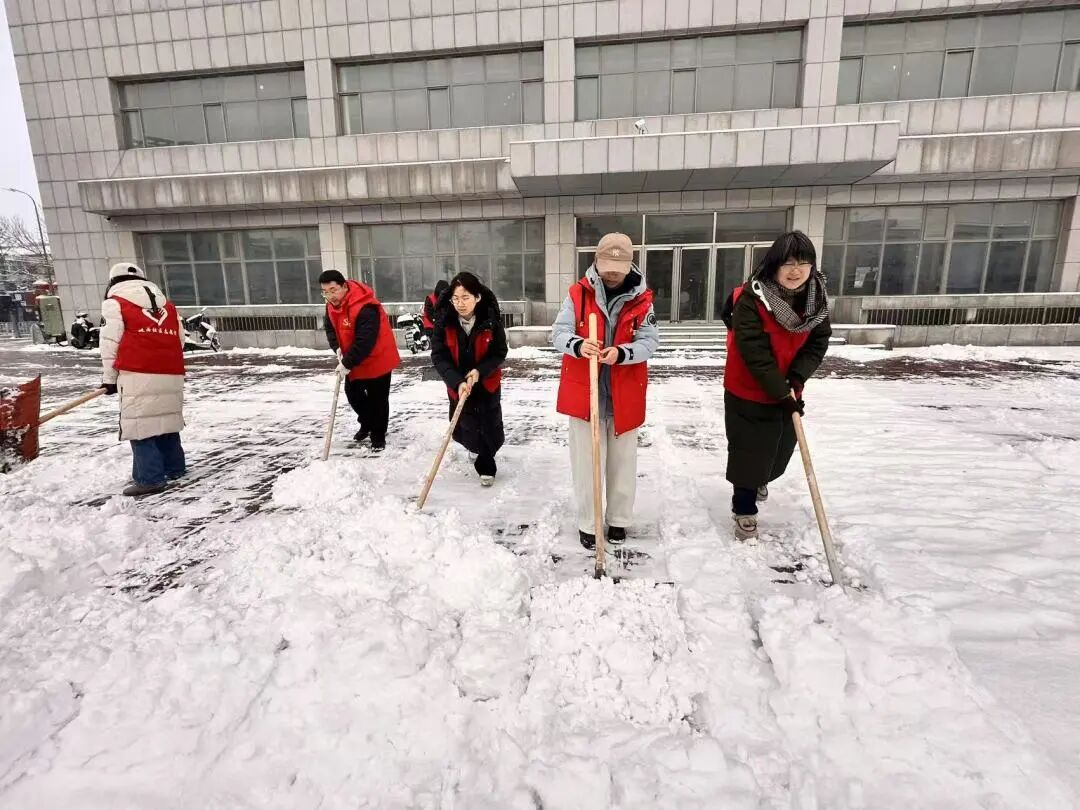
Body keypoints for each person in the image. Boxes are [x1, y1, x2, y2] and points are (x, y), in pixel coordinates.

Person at [720, 230, 832, 542]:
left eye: (803, 263)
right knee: (749, 451)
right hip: (748, 387)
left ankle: (761, 479)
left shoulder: (817, 300)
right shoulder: (751, 299)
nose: (796, 270)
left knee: (780, 449)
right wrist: (779, 390)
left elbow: (818, 341)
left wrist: (796, 378)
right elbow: (753, 351)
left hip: (788, 388)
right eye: (788, 263)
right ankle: (744, 508)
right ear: (774, 265)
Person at [551, 232, 660, 550]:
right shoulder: (577, 294)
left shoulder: (643, 300)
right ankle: (589, 522)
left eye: (618, 268)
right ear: (596, 262)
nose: (612, 273)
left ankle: (619, 519)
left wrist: (623, 353)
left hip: (625, 393)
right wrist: (578, 345)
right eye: (607, 267)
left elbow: (650, 342)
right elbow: (558, 333)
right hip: (585, 394)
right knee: (586, 464)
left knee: (623, 463)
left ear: (629, 266)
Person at [98, 262, 186, 497]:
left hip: (137, 372)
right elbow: (179, 340)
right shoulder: (168, 306)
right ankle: (174, 468)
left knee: (140, 426)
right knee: (166, 419)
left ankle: (149, 479)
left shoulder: (115, 303)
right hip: (171, 371)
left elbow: (110, 344)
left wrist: (109, 379)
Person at [430, 272, 508, 486]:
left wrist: (479, 371)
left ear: (477, 297)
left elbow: (499, 352)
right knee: (465, 424)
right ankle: (475, 447)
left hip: (486, 381)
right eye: (456, 298)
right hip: (457, 383)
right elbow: (439, 355)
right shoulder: (444, 321)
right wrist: (457, 381)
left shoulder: (490, 320)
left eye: (465, 297)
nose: (460, 303)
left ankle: (486, 464)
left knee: (488, 423)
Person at [320, 269, 401, 452]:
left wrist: (347, 363)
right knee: (353, 394)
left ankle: (378, 436)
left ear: (344, 286)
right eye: (325, 292)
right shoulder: (330, 306)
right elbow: (330, 329)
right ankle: (367, 423)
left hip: (377, 358)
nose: (330, 296)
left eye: (333, 290)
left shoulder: (366, 307)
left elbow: (365, 341)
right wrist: (337, 348)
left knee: (378, 399)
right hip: (355, 358)